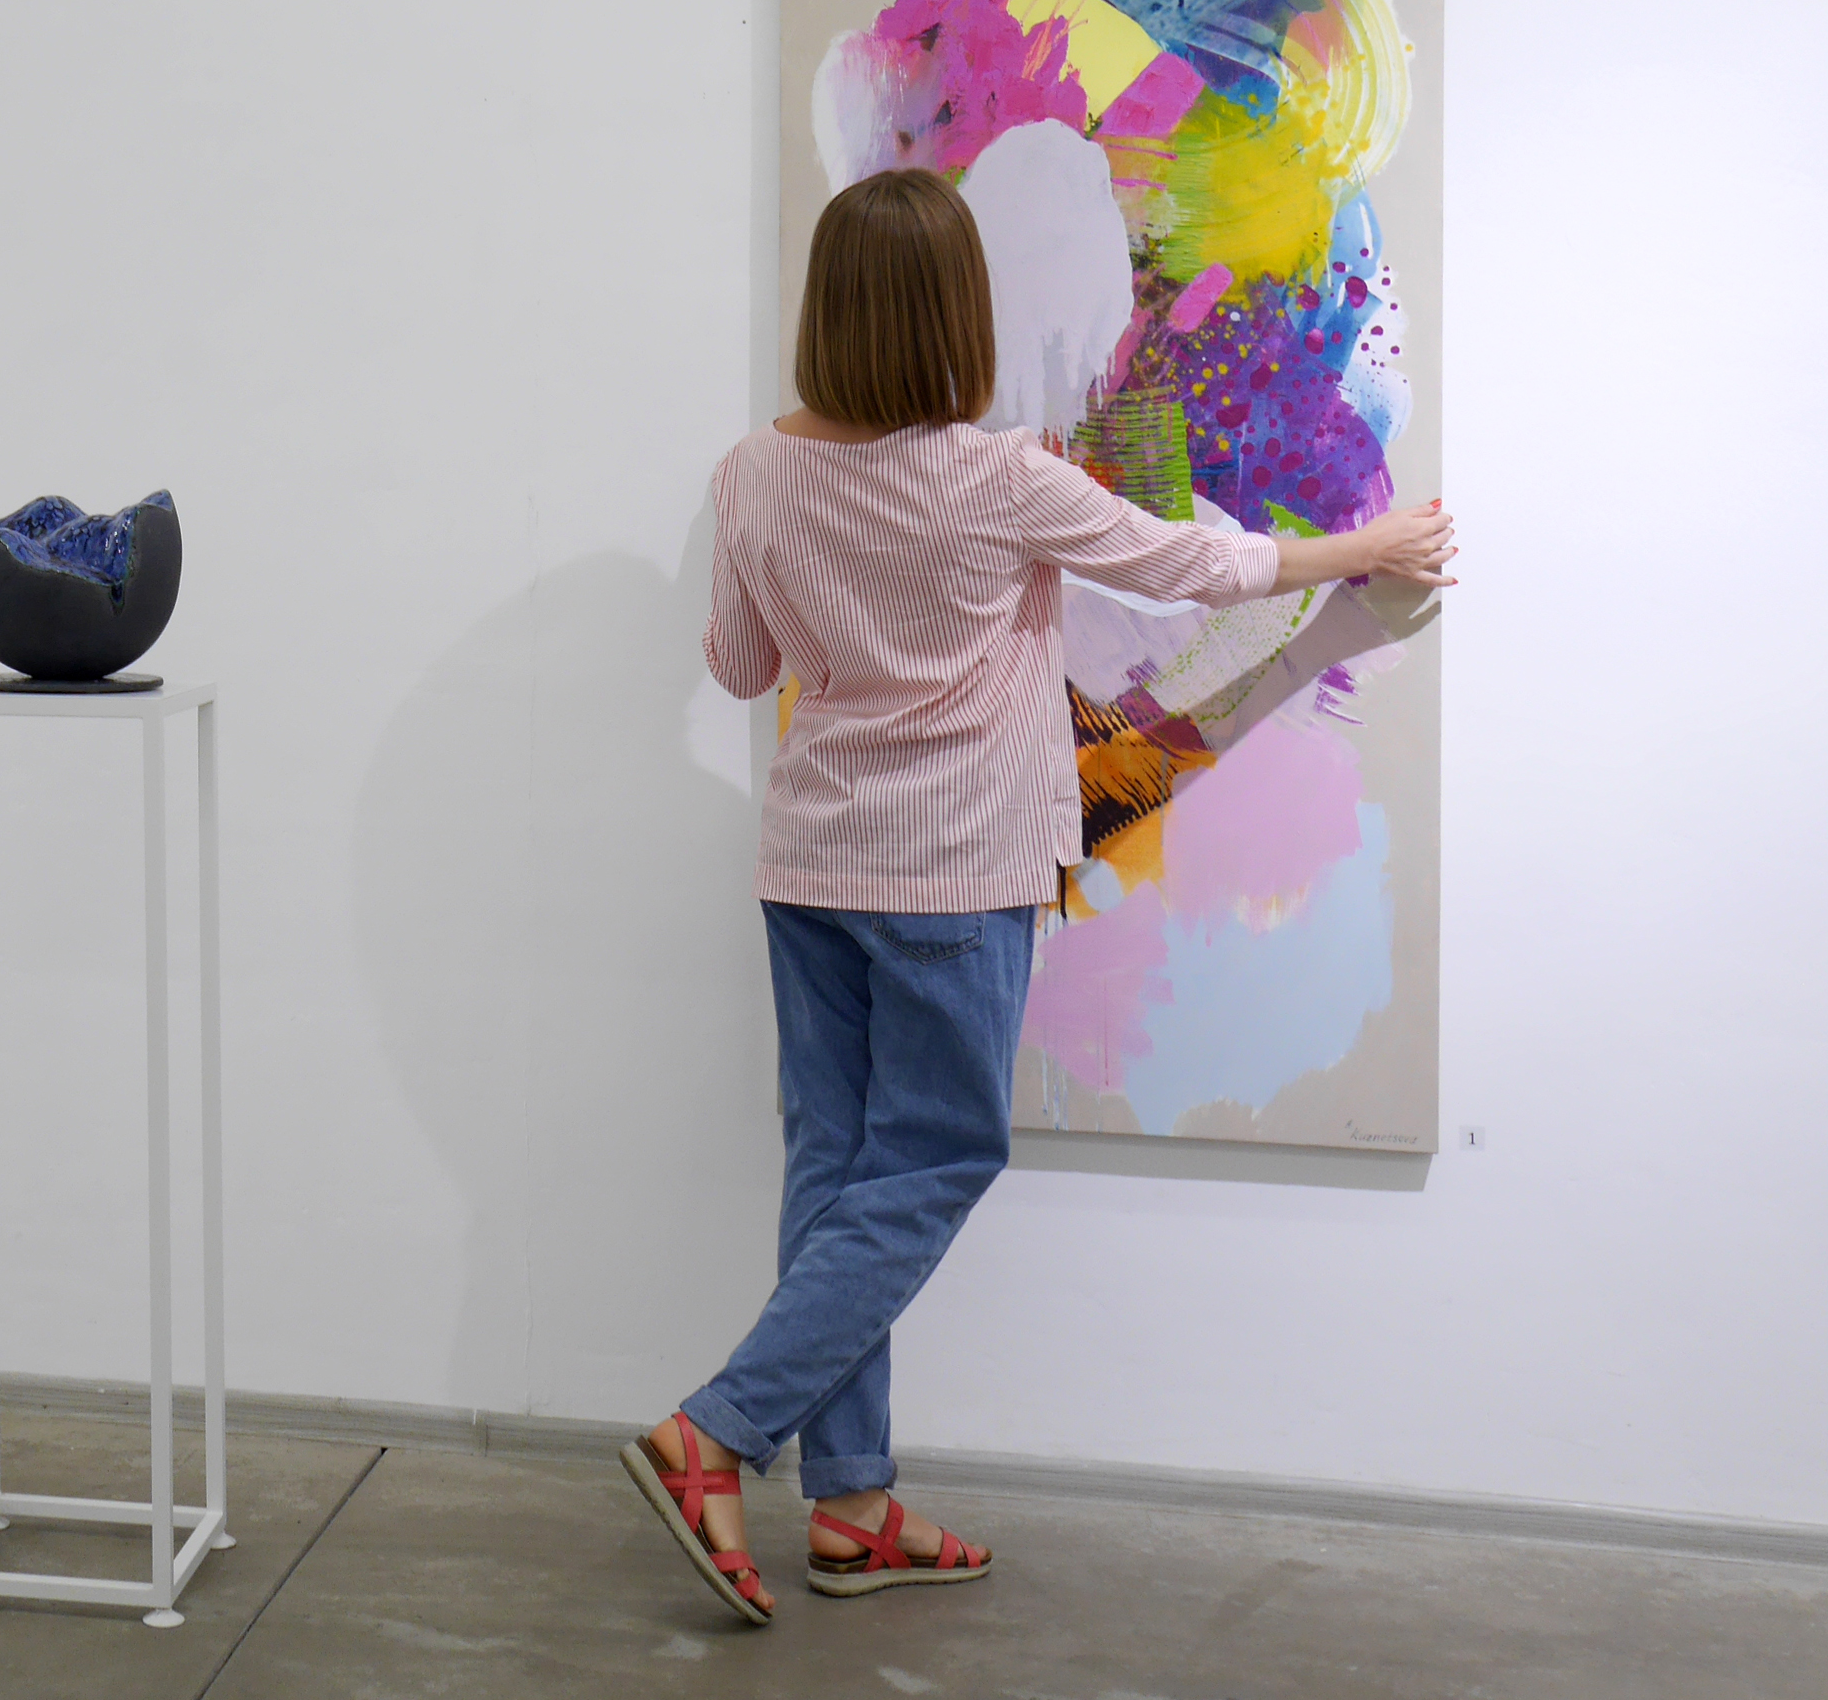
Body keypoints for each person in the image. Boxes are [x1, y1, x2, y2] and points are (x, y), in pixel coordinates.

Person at [619, 167, 1457, 1623]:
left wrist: (812, 591)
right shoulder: (1001, 476)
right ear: (959, 313)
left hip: (813, 867)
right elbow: (1195, 567)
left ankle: (851, 1506)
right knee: (939, 1156)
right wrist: (1363, 549)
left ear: (828, 312)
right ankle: (718, 1433)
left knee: (838, 1170)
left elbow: (743, 669)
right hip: (955, 871)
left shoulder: (751, 472)